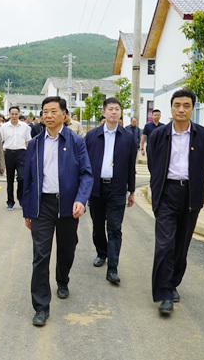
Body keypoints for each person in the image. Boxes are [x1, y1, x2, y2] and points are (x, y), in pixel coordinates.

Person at [23, 96, 93, 327]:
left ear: (64, 114)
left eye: (54, 111)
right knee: (40, 255)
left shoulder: (76, 141)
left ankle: (62, 279)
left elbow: (86, 174)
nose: (49, 115)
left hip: (68, 205)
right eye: (45, 111)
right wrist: (27, 209)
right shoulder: (35, 143)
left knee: (66, 249)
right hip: (42, 205)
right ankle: (41, 307)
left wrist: (81, 200)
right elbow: (28, 178)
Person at [147, 89, 204, 315]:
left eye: (186, 105)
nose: (181, 110)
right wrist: (158, 189)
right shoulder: (159, 135)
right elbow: (153, 165)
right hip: (167, 193)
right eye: (177, 105)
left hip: (191, 195)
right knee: (165, 245)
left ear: (192, 108)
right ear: (171, 108)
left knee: (181, 244)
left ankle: (173, 282)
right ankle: (164, 293)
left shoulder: (203, 135)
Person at [84, 97, 136, 284]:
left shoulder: (128, 138)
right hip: (96, 188)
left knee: (114, 228)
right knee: (98, 226)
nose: (114, 112)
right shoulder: (92, 136)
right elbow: (84, 164)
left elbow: (131, 166)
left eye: (117, 109)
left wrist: (132, 190)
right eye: (111, 109)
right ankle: (101, 253)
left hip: (117, 188)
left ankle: (113, 268)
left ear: (121, 113)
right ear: (104, 112)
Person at [0, 106, 32, 210]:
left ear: (19, 114)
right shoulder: (4, 127)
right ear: (9, 114)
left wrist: (29, 155)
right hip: (9, 153)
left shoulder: (25, 126)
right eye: (12, 114)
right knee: (9, 179)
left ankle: (21, 198)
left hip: (21, 154)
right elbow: (0, 142)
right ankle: (10, 201)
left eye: (16, 114)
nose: (14, 116)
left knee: (22, 178)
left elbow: (28, 141)